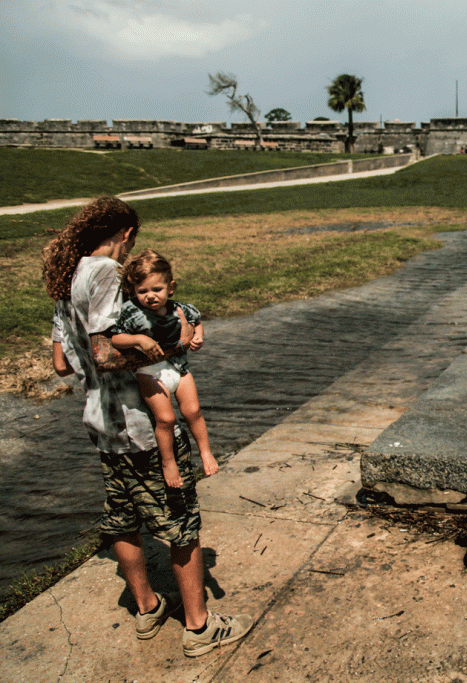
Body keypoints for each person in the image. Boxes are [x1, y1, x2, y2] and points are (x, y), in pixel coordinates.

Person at [43, 196, 252, 658]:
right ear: (126, 234)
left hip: (102, 424)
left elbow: (62, 364)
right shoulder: (102, 274)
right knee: (181, 523)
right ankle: (199, 628)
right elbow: (104, 352)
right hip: (138, 422)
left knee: (122, 518)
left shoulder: (65, 282)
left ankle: (148, 606)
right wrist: (164, 350)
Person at [110, 249, 218, 488]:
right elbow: (116, 339)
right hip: (150, 371)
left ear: (170, 287)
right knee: (166, 418)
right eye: (142, 291)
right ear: (134, 292)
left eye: (156, 290)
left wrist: (198, 338)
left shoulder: (179, 308)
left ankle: (206, 451)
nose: (150, 296)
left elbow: (196, 322)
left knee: (193, 411)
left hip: (178, 367)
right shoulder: (132, 312)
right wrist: (139, 339)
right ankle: (168, 461)